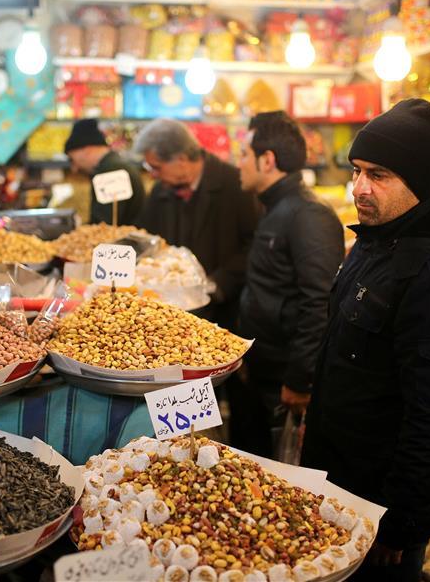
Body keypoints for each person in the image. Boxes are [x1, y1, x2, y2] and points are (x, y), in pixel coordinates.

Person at [300, 99, 430, 581]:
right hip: (339, 485)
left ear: (419, 181)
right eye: (357, 171)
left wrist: (400, 524)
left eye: (378, 175)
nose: (359, 187)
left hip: (379, 509)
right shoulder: (376, 240)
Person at [230, 111, 344, 458]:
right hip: (260, 369)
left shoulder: (309, 214)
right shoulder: (275, 206)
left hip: (282, 380)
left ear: (267, 160)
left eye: (244, 154)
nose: (238, 163)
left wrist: (299, 379)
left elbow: (320, 303)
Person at [134, 118, 260, 329]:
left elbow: (254, 245)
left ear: (181, 159)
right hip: (169, 312)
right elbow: (147, 236)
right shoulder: (159, 192)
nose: (152, 175)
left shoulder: (236, 185)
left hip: (224, 311)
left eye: (156, 167)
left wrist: (217, 284)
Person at [64, 119, 145, 226]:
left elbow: (104, 225)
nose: (74, 168)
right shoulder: (115, 165)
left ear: (86, 150)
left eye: (72, 159)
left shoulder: (110, 171)